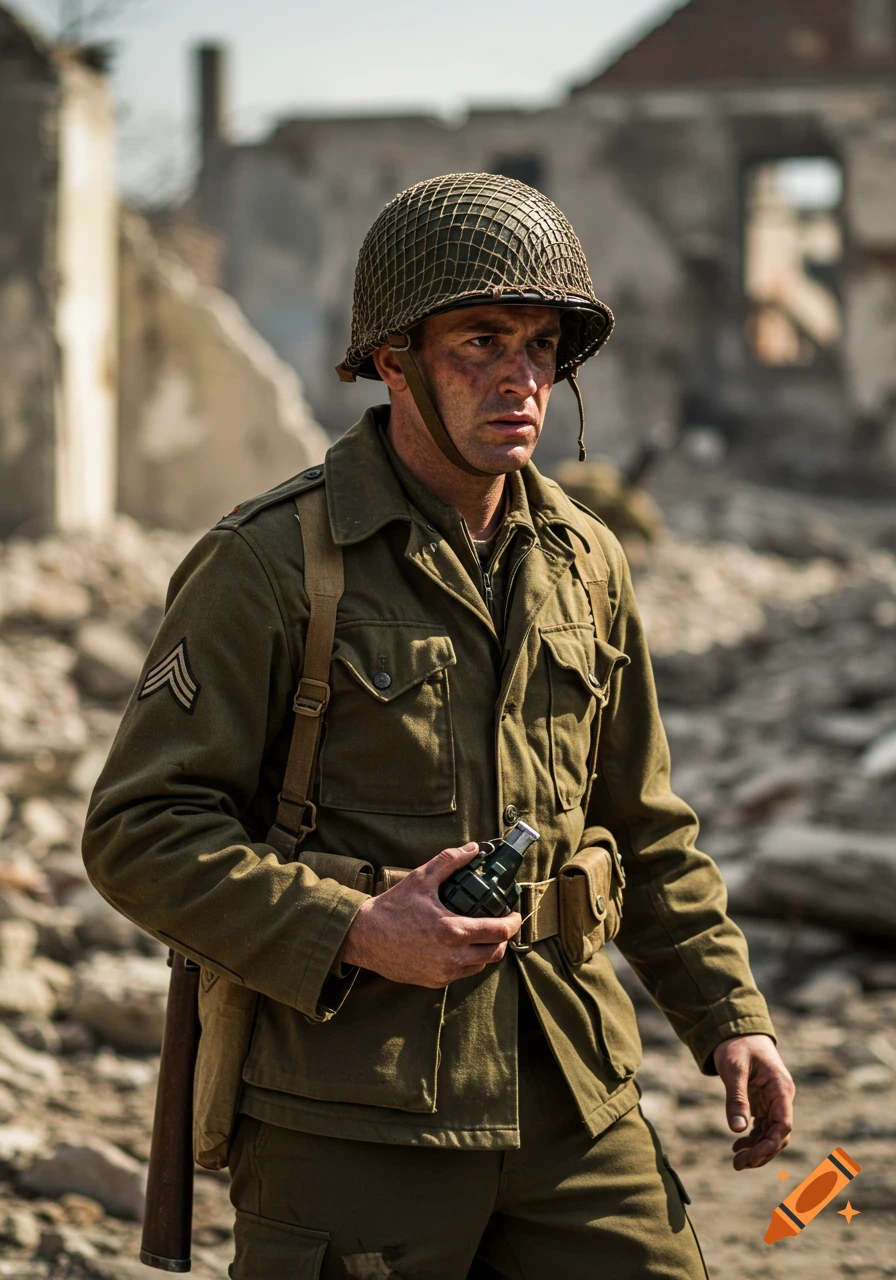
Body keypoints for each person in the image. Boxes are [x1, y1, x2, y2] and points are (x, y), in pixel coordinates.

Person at [82, 173, 794, 1280]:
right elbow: (140, 830)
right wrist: (355, 927)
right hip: (347, 1115)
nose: (521, 379)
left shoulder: (586, 562)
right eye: (479, 340)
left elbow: (643, 823)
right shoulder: (270, 562)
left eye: (542, 345)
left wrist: (726, 1013)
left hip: (569, 1091)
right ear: (391, 356)